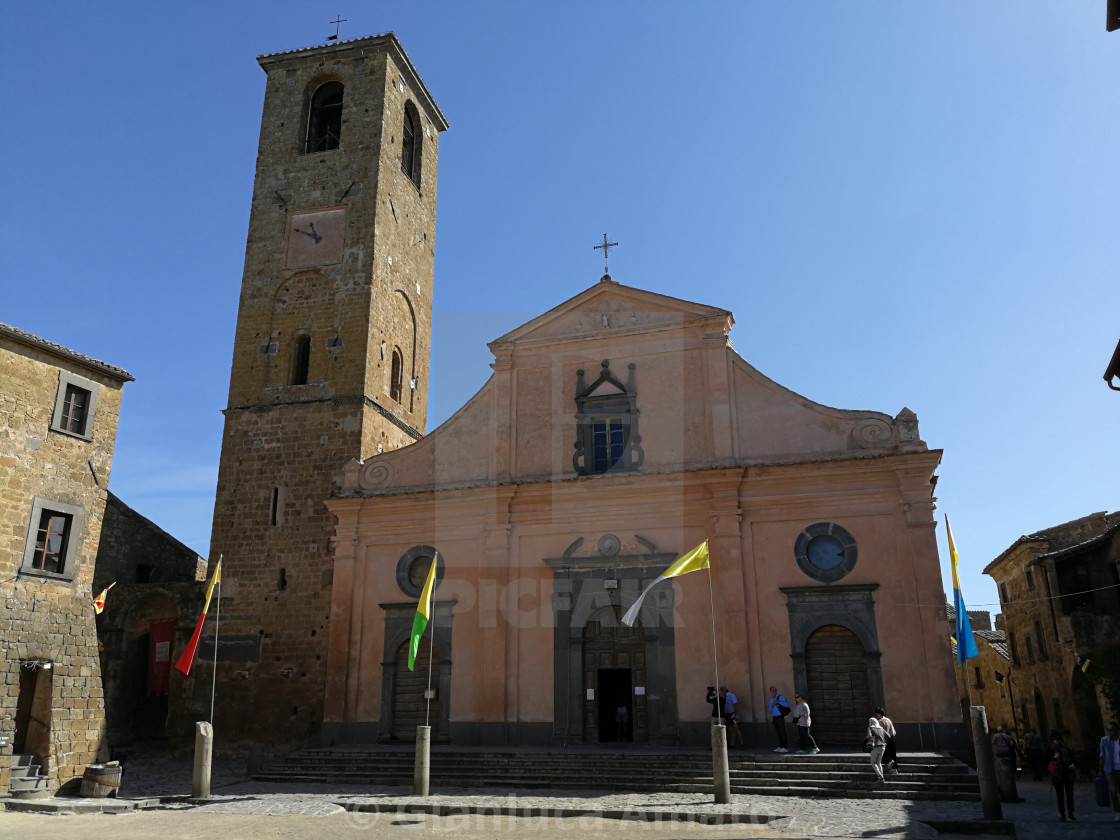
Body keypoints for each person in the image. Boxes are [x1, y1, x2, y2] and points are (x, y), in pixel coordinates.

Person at [1048, 732, 1076, 822]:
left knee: (1069, 795)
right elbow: (1047, 763)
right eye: (1056, 739)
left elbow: (1072, 759)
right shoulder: (1050, 751)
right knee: (1060, 796)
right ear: (1053, 741)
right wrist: (1054, 759)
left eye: (1059, 739)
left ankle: (1071, 813)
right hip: (1057, 776)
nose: (1058, 741)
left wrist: (1072, 764)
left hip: (1068, 774)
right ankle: (1062, 813)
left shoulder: (1066, 750)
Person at [1099, 720, 1120, 822]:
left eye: (1111, 730)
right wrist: (1100, 769)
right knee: (1112, 790)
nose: (1109, 732)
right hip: (1109, 769)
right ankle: (1117, 811)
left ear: (1116, 730)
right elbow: (1102, 755)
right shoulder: (1104, 740)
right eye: (1108, 730)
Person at [767, 685, 790, 753]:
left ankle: (785, 747)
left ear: (776, 691)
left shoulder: (780, 697)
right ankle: (781, 746)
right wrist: (773, 705)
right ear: (770, 692)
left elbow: (787, 705)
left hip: (780, 717)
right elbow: (770, 710)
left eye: (775, 690)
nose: (773, 691)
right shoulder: (771, 700)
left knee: (782, 732)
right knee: (778, 733)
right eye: (772, 690)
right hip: (775, 717)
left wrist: (779, 702)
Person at [874, 708, 897, 773]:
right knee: (893, 754)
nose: (877, 715)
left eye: (877, 714)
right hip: (893, 738)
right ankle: (894, 769)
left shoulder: (880, 721)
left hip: (886, 739)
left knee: (883, 753)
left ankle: (889, 761)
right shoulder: (888, 719)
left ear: (879, 714)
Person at [866, 715, 888, 783]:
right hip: (883, 747)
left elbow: (869, 736)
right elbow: (888, 736)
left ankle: (880, 776)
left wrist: (867, 738)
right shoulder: (881, 728)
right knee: (879, 762)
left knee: (873, 762)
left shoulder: (870, 728)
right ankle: (882, 777)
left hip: (875, 747)